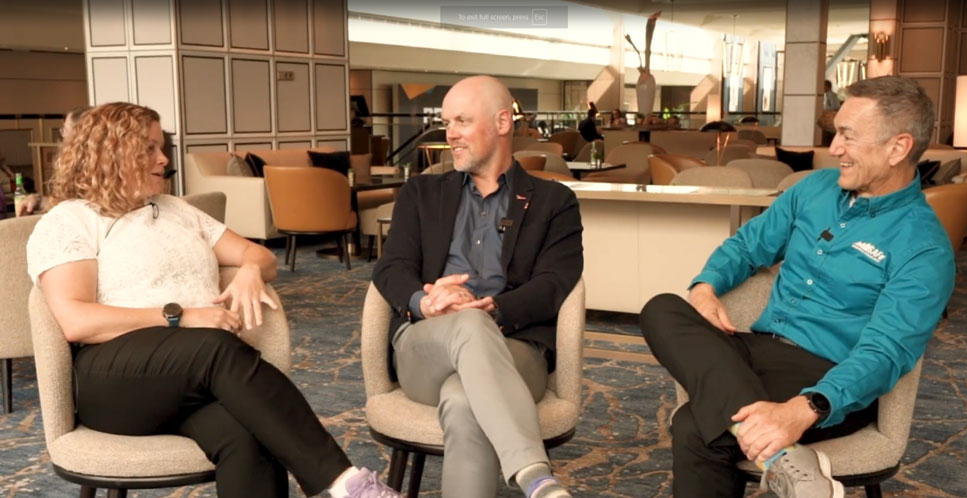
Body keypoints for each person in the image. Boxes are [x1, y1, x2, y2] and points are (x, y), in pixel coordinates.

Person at [26, 102, 400, 498]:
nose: (163, 158)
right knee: (215, 346)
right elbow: (76, 320)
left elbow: (260, 255)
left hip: (195, 378)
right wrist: (181, 317)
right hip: (114, 379)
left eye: (161, 147)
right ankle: (347, 484)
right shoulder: (70, 220)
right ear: (114, 151)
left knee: (252, 436)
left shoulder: (178, 211)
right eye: (150, 148)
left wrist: (250, 273)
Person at [639, 75, 954, 498]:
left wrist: (807, 408)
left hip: (829, 374)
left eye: (847, 136)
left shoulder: (924, 247)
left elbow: (886, 352)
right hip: (756, 348)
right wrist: (706, 286)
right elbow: (749, 246)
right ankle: (782, 459)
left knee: (695, 425)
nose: (835, 148)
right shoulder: (812, 190)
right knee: (662, 308)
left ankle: (766, 439)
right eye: (835, 134)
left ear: (898, 147)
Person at [372, 75, 583, 498]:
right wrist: (427, 301)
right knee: (467, 326)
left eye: (463, 121)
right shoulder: (421, 192)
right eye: (447, 122)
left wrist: (493, 310)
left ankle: (532, 477)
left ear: (503, 122)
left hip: (516, 346)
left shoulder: (553, 201)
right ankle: (534, 475)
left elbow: (555, 282)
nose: (450, 133)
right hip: (426, 344)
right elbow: (391, 268)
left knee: (466, 401)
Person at [16, 106, 91, 216]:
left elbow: (76, 210)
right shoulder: (74, 167)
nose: (62, 136)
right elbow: (65, 203)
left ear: (79, 134)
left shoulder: (93, 171)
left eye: (64, 130)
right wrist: (38, 200)